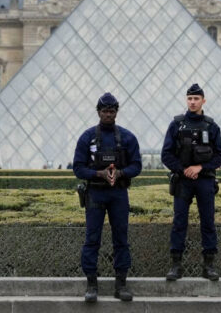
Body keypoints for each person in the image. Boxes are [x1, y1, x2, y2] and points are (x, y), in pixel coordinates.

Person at [72, 92, 142, 303]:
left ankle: (121, 284)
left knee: (121, 239)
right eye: (105, 111)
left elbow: (137, 166)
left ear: (116, 112)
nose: (108, 115)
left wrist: (120, 173)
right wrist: (98, 174)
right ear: (98, 112)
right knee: (92, 239)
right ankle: (92, 284)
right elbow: (78, 168)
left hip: (118, 193)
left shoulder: (128, 138)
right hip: (95, 192)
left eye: (112, 111)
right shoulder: (87, 138)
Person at [161, 83, 221, 281]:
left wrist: (200, 168)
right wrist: (183, 170)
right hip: (182, 181)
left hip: (205, 180)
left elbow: (220, 156)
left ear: (203, 101)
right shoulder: (176, 125)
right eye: (189, 98)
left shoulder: (212, 126)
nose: (192, 102)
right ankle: (176, 266)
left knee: (208, 222)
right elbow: (166, 155)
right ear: (186, 100)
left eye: (196, 99)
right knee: (179, 222)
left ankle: (209, 266)